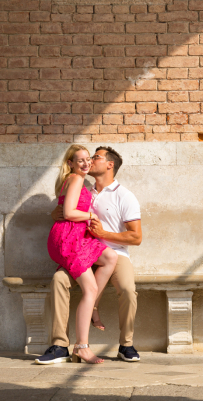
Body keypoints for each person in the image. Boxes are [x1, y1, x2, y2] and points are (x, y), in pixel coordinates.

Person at [35, 146, 143, 364]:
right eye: (86, 158)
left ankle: (126, 344)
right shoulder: (85, 187)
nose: (90, 161)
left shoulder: (124, 195)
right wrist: (56, 213)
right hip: (81, 247)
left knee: (128, 290)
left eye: (95, 157)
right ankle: (59, 345)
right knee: (58, 280)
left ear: (110, 165)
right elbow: (67, 210)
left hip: (113, 251)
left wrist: (103, 234)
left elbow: (136, 237)